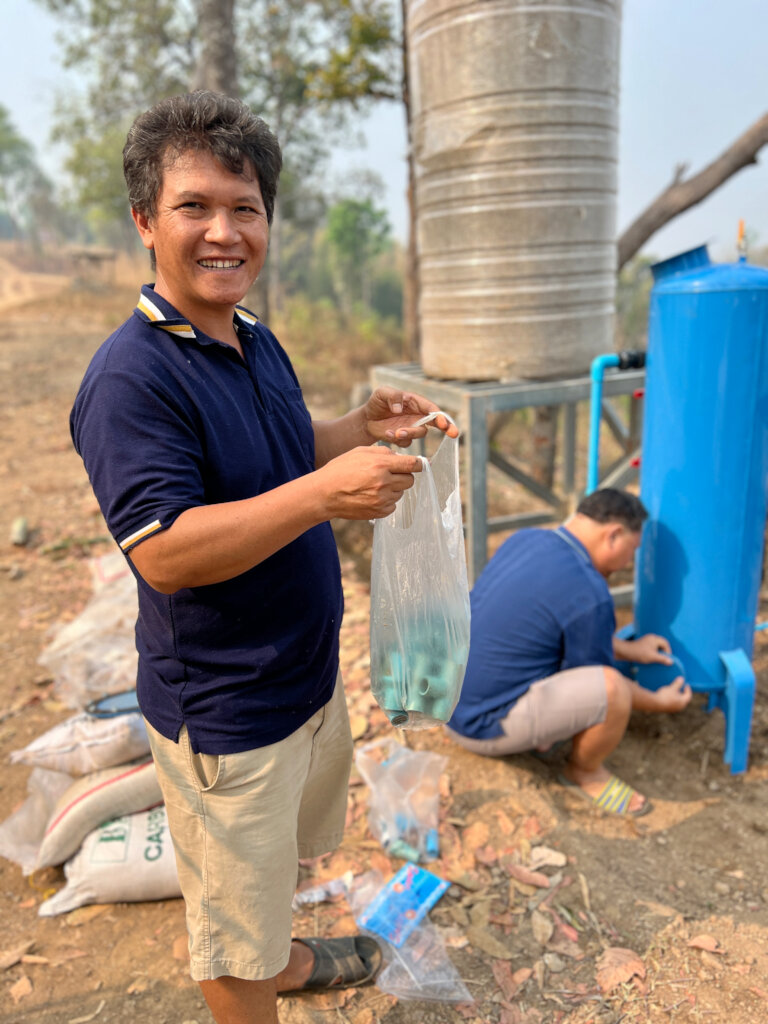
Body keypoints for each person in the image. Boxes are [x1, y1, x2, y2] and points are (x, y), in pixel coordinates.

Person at [70, 90, 458, 1024]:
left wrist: (356, 430)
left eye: (244, 208)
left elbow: (286, 453)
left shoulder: (251, 337)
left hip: (302, 680)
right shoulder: (131, 379)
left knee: (270, 869)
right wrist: (323, 496)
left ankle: (278, 958)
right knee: (229, 928)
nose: (224, 232)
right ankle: (256, 977)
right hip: (227, 709)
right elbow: (166, 552)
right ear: (145, 221)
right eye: (194, 207)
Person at [446, 488, 692, 818]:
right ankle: (585, 773)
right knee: (613, 690)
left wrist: (631, 650)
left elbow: (547, 626)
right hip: (480, 726)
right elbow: (602, 685)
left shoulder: (527, 539)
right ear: (614, 535)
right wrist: (658, 702)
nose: (628, 563)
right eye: (632, 550)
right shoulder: (590, 590)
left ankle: (545, 735)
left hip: (447, 701)